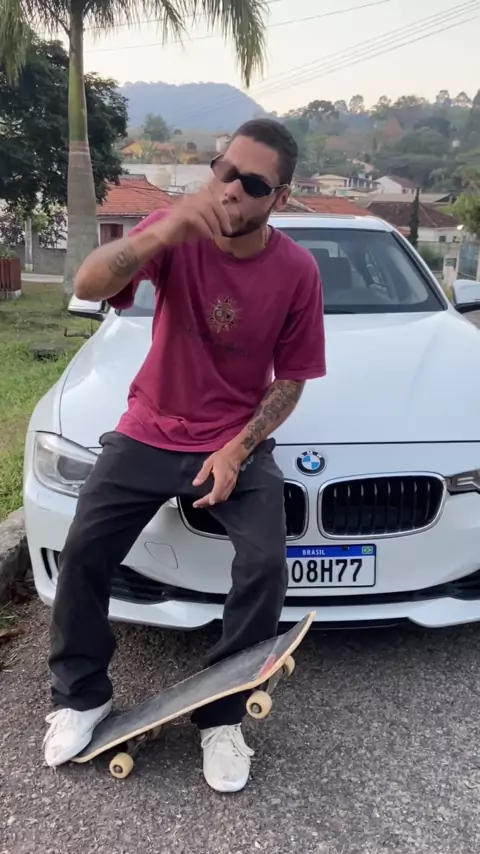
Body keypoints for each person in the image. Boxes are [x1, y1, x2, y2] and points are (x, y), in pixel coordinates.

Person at [43, 119, 326, 792]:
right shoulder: (174, 232)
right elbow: (89, 283)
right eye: (223, 169)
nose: (229, 189)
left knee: (265, 561)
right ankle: (82, 696)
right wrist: (161, 233)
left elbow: (290, 382)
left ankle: (221, 712)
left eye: (250, 182)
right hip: (149, 427)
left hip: (230, 436)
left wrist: (237, 448)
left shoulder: (296, 271)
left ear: (279, 197)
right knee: (84, 549)